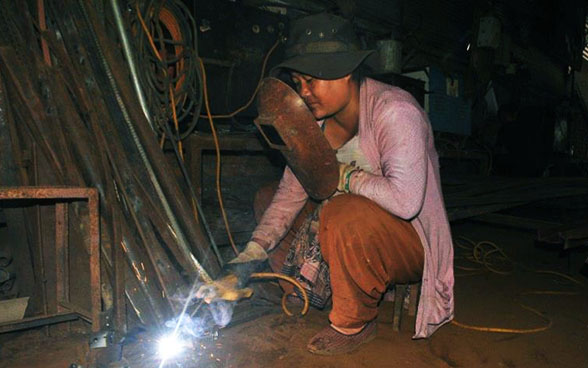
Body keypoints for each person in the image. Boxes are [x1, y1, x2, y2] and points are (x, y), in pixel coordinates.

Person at [199, 12, 454, 356]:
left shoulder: (395, 112)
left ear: (345, 72)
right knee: (268, 197)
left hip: (409, 242)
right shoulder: (315, 124)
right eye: (298, 82)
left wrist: (346, 176)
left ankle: (355, 322)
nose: (304, 92)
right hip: (354, 229)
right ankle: (298, 289)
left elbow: (407, 201)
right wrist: (244, 263)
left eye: (312, 81)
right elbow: (289, 196)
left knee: (342, 211)